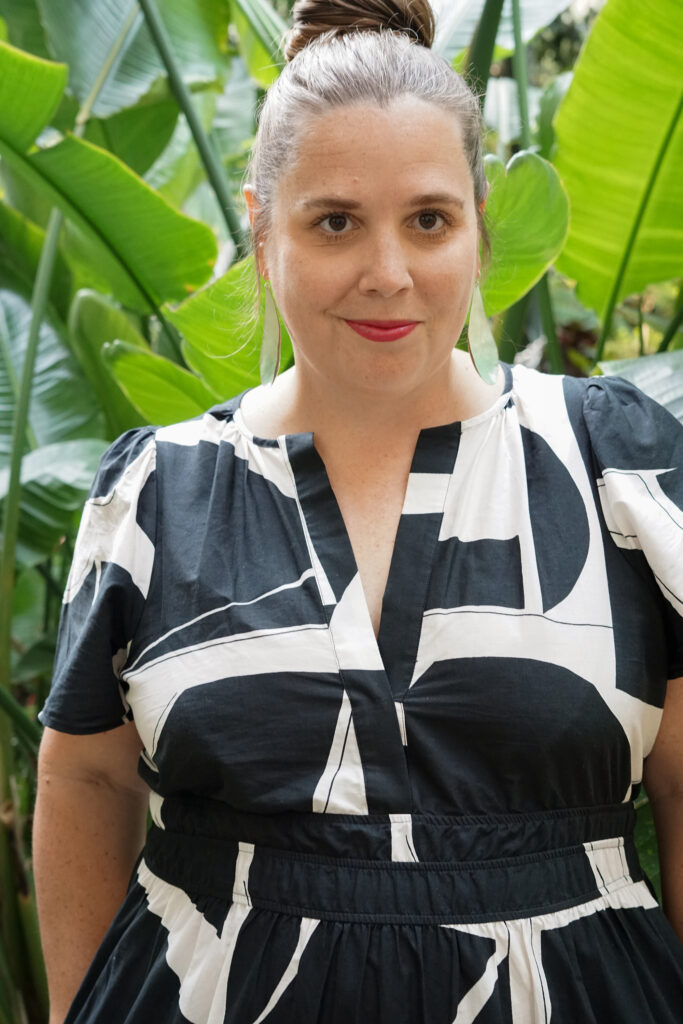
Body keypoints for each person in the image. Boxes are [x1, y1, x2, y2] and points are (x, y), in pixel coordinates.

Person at [33, 1, 683, 1021]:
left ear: (476, 220)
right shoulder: (160, 489)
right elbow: (89, 781)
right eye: (334, 221)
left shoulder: (613, 463)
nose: (388, 274)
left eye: (428, 219)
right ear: (260, 228)